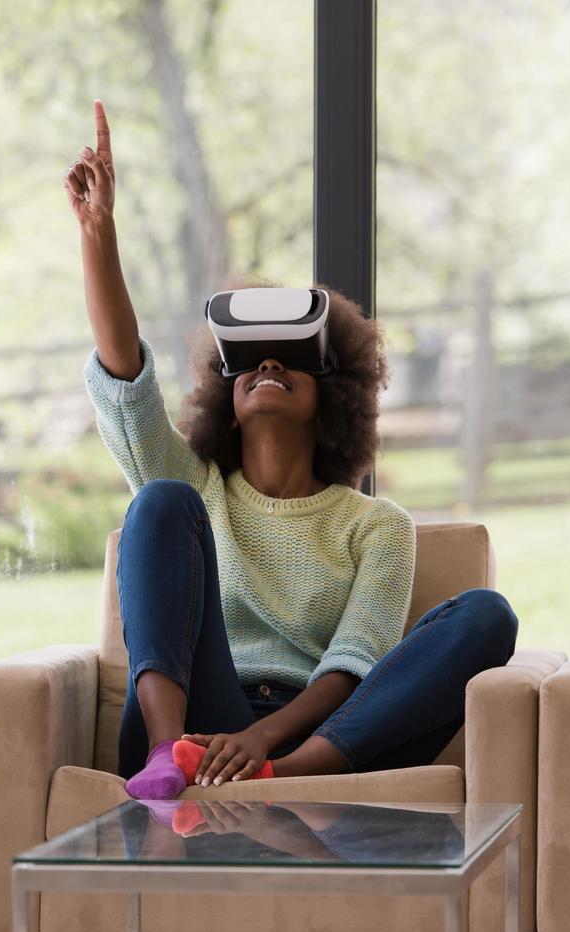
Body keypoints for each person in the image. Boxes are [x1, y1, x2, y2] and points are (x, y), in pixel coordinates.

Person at [63, 99, 519, 801]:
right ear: (224, 387)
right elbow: (125, 380)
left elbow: (353, 660)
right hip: (195, 715)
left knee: (486, 616)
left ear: (334, 387)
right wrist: (98, 234)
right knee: (156, 502)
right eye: (247, 358)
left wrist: (264, 742)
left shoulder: (375, 525)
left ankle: (286, 779)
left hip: (320, 735)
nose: (266, 366)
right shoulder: (195, 485)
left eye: (291, 357)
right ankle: (165, 757)